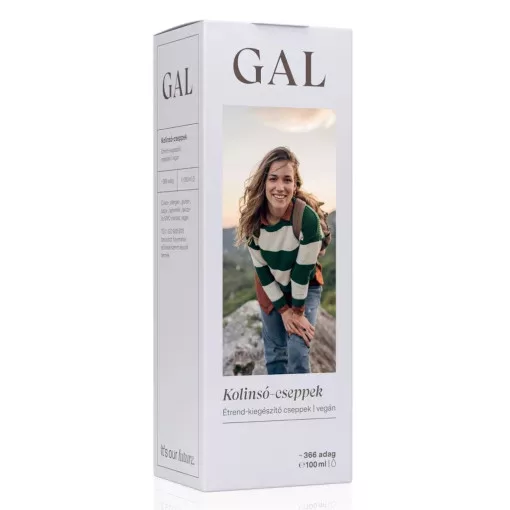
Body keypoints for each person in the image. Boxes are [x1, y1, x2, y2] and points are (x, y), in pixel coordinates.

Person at [236, 147, 325, 374]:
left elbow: (301, 273)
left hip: (305, 285)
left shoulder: (307, 219)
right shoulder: (252, 222)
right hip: (271, 286)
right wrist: (283, 311)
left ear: (295, 185)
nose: (280, 187)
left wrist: (296, 312)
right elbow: (262, 272)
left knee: (297, 351)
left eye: (287, 180)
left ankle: (301, 397)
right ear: (263, 182)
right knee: (275, 353)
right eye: (273, 178)